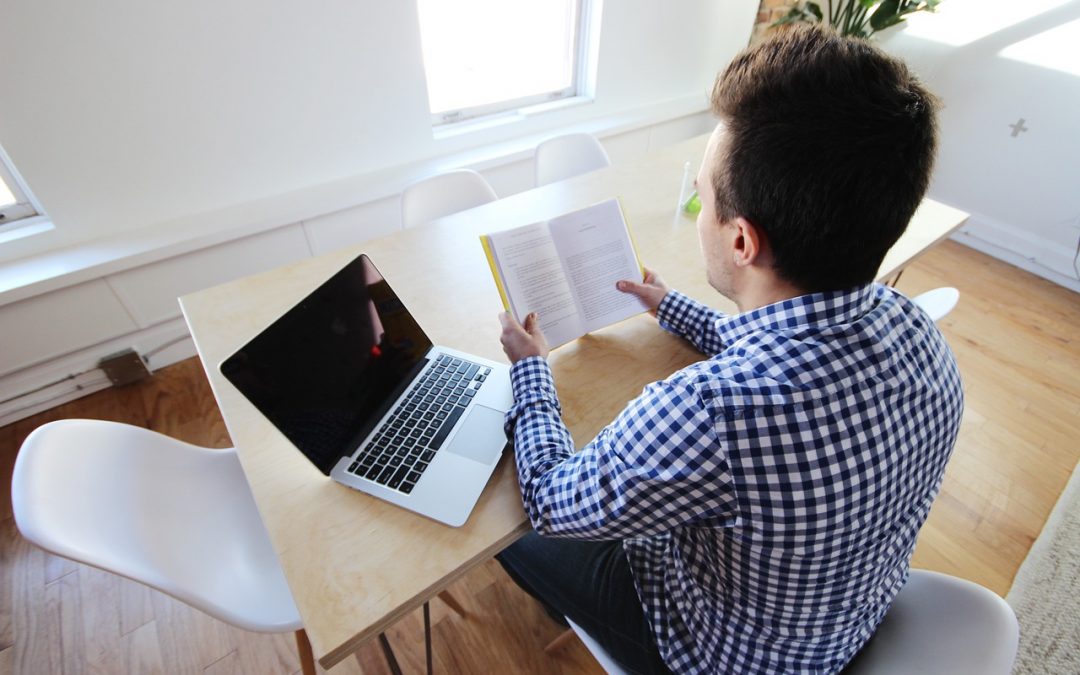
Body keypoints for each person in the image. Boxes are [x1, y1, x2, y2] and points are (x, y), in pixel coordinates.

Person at [494, 25, 962, 675]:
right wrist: (669, 305)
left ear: (742, 241)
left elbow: (550, 497)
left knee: (507, 536)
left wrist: (532, 372)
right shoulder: (917, 331)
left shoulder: (712, 411)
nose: (702, 212)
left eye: (705, 199)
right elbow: (786, 343)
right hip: (837, 620)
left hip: (719, 653)